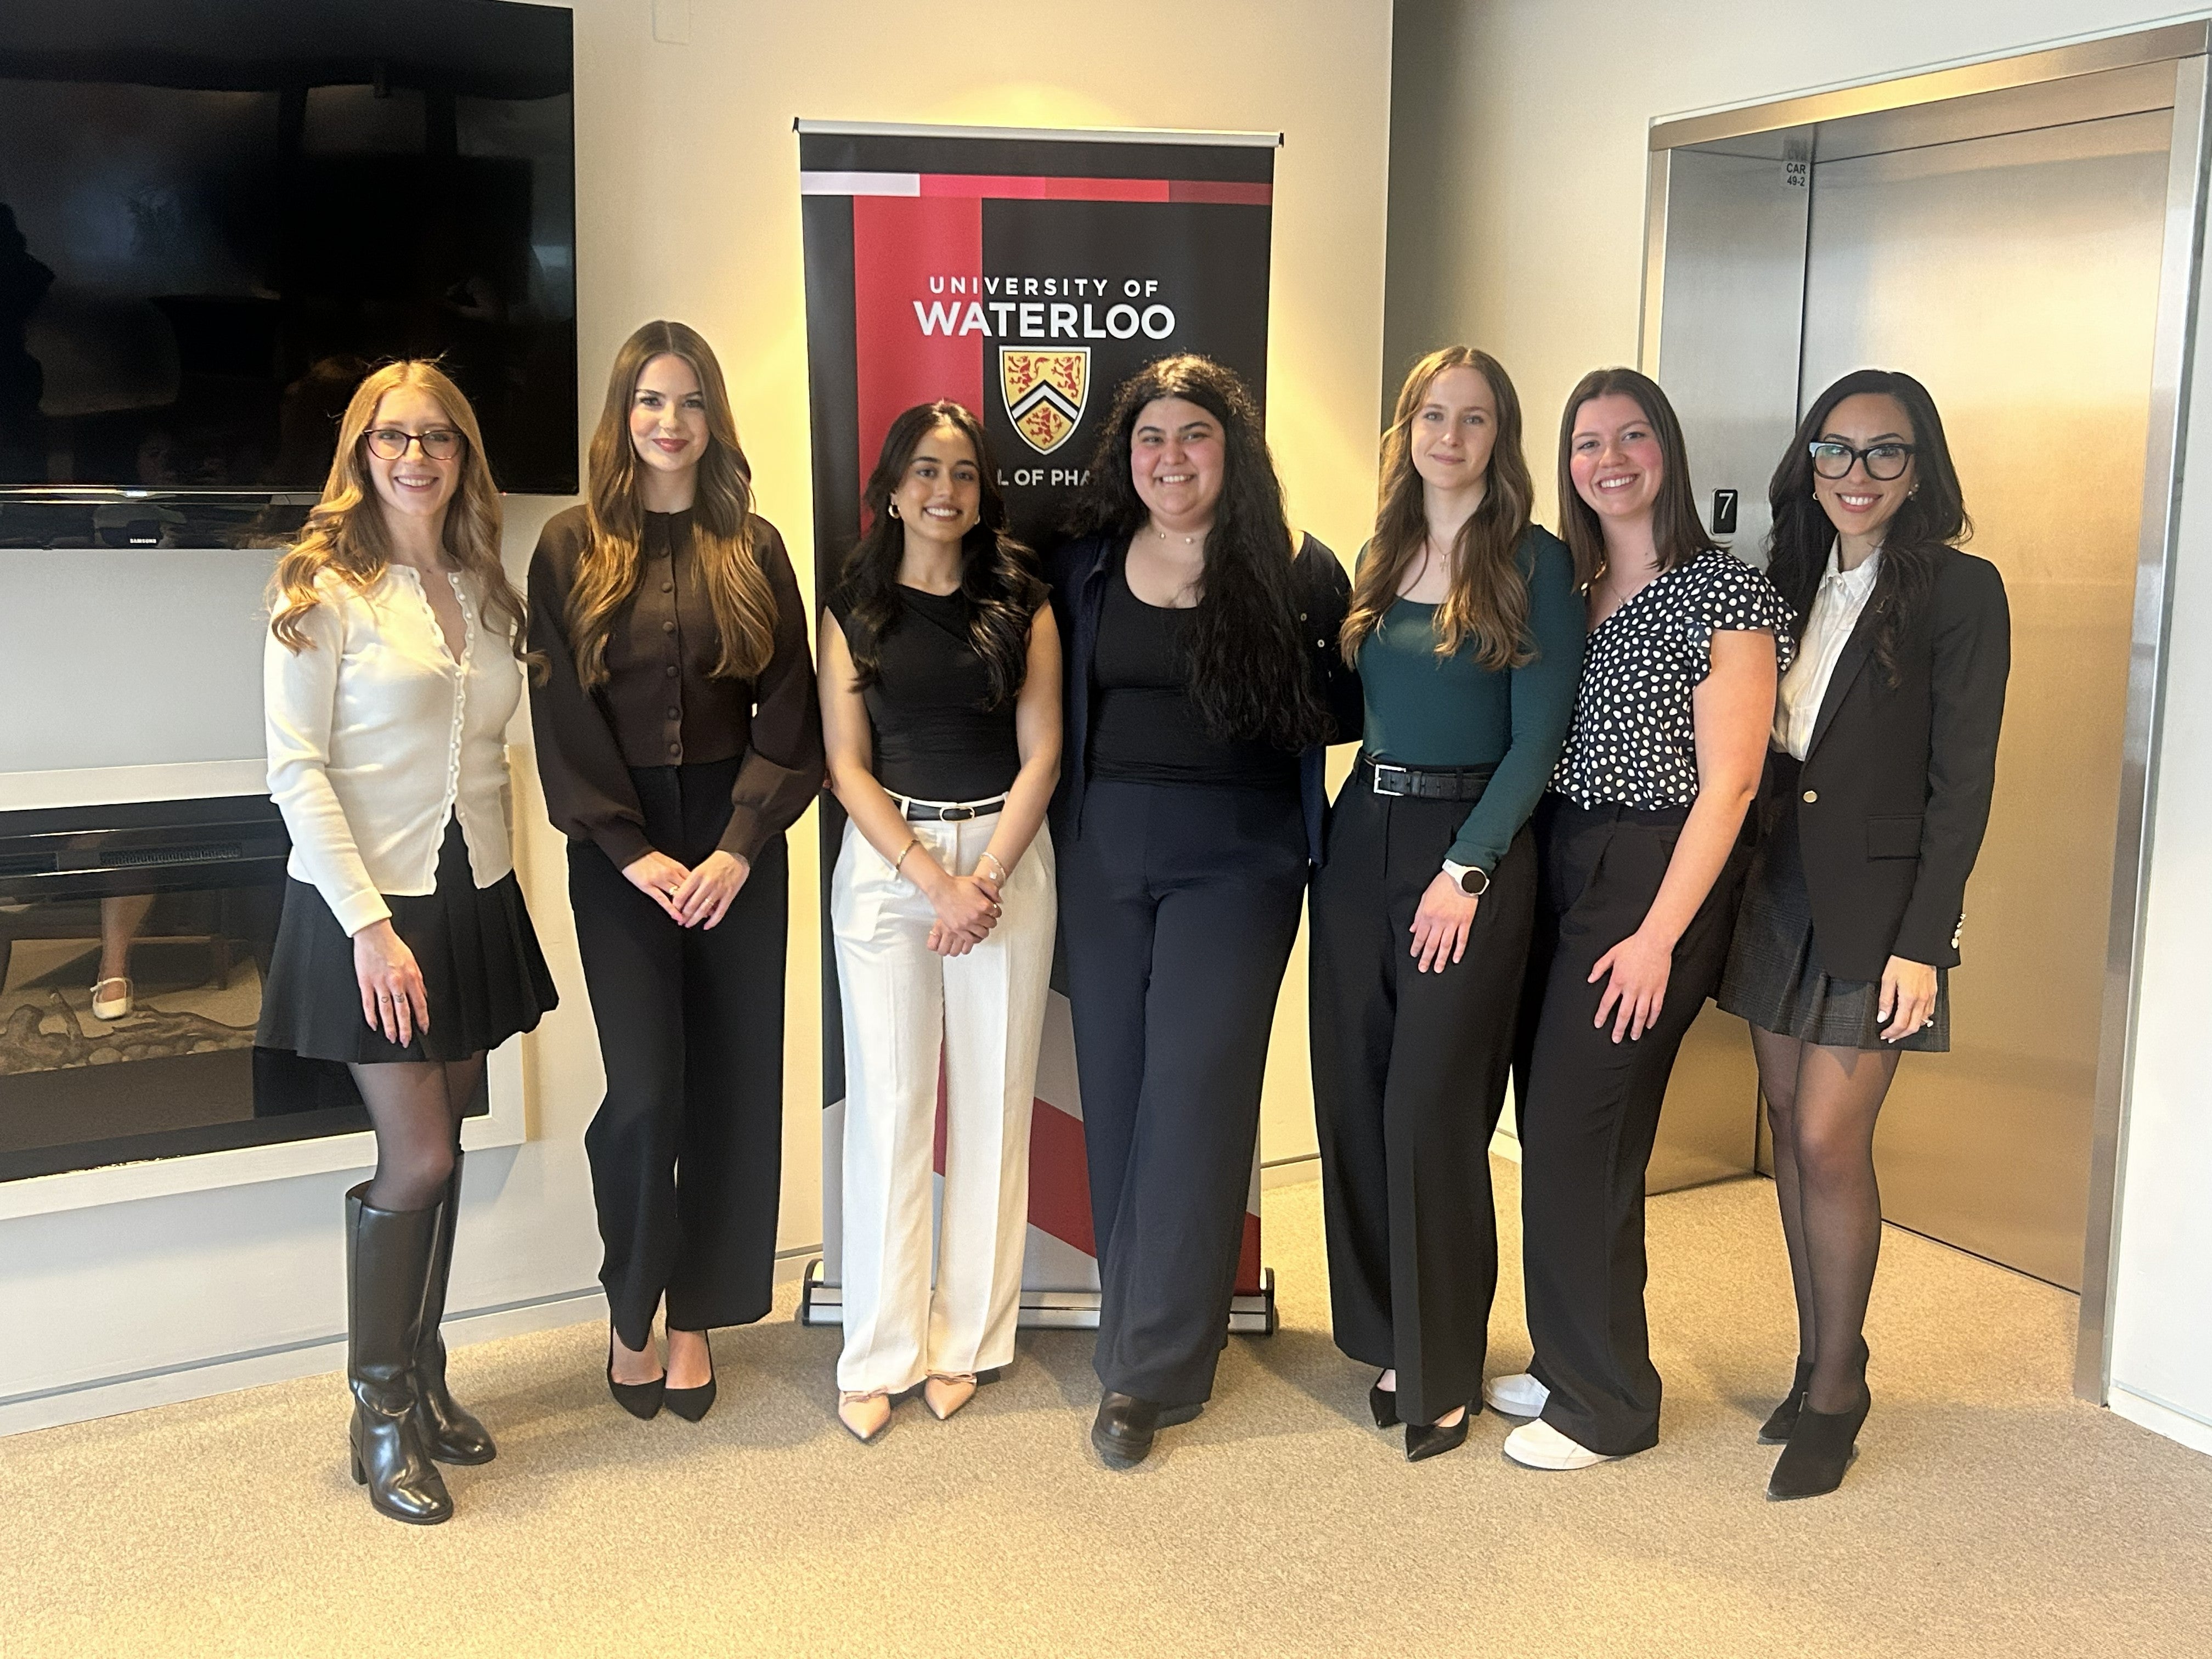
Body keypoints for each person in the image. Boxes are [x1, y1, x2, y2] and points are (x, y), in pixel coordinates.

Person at [259, 360, 557, 1525]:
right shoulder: (321, 588)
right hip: (366, 911)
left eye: (438, 436)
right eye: (394, 437)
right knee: (419, 1157)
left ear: (463, 454)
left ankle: (425, 1377)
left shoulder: (485, 584)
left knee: (453, 1141)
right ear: (360, 450)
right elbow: (296, 773)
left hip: (470, 894)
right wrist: (372, 933)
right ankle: (378, 1407)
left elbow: (483, 759)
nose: (417, 455)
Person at [1049, 353, 1358, 1469]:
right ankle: (1148, 1324)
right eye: (1151, 438)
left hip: (1241, 861)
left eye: (1194, 437)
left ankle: (1146, 1372)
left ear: (1233, 453)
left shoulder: (1296, 568)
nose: (1170, 458)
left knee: (1193, 1095)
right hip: (1101, 856)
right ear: (1126, 454)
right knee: (1122, 1096)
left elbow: (1347, 706)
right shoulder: (1083, 565)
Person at [1489, 368, 1793, 1472]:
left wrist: (1660, 935)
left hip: (1656, 872)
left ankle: (1607, 1404)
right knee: (1556, 1128)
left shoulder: (1725, 592)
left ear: (1667, 449)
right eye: (1585, 442)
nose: (1607, 458)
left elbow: (1732, 785)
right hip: (1563, 854)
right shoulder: (1568, 586)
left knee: (1584, 1133)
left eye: (1630, 437)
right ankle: (1573, 1353)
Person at [1717, 370, 2008, 1499]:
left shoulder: (1959, 593)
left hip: (1880, 912)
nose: (1857, 473)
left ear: (1920, 469)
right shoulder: (1783, 578)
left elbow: (1963, 783)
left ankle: (1839, 1390)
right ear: (1810, 463)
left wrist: (1924, 942)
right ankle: (1816, 1352)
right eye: (1836, 451)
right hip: (1776, 885)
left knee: (1834, 1144)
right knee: (1789, 1128)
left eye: (1884, 453)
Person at [528, 320, 821, 1423]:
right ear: (623, 416)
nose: (670, 422)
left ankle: (695, 1316)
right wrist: (633, 849)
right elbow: (561, 714)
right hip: (622, 845)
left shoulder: (754, 544)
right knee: (649, 1093)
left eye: (690, 401)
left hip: (737, 840)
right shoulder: (565, 546)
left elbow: (788, 704)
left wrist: (740, 843)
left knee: (734, 1088)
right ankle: (631, 1298)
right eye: (651, 401)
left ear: (714, 419)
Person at [1310, 347, 1583, 1461]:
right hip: (1363, 828)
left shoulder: (1535, 561)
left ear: (1499, 438)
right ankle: (1388, 1332)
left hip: (1471, 847)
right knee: (1362, 1092)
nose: (1450, 436)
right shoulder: (1382, 552)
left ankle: (1443, 1365)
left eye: (1475, 419)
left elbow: (1539, 739)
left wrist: (1467, 869)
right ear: (1408, 430)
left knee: (1433, 1109)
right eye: (1433, 414)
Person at [820, 401, 1060, 1443]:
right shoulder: (853, 605)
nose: (944, 491)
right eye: (925, 470)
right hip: (889, 871)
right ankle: (877, 1350)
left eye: (963, 473)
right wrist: (932, 879)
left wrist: (985, 877)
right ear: (891, 485)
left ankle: (967, 1340)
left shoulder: (1023, 600)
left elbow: (1042, 751)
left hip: (1004, 859)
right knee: (889, 1107)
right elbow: (845, 764)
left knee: (996, 1103)